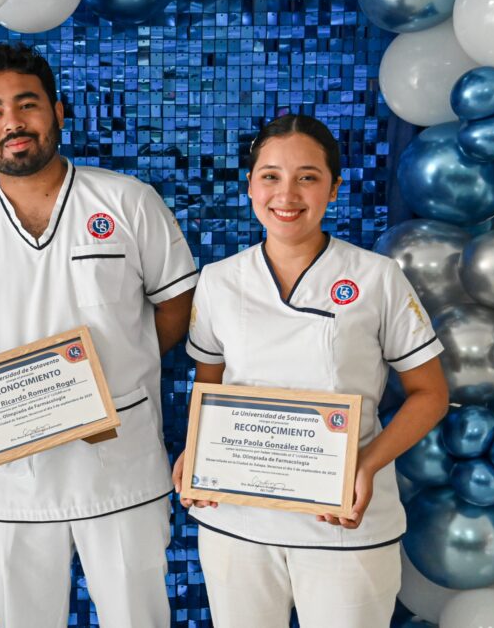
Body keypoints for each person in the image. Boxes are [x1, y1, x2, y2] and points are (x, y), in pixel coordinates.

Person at [0, 43, 197, 628]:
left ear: (58, 111)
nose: (13, 122)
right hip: (13, 480)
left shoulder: (126, 201)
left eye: (27, 104)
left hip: (121, 467)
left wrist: (113, 371)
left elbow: (179, 303)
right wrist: (5, 410)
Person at [172, 114, 449, 628]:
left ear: (334, 188)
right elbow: (209, 384)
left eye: (307, 177)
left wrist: (366, 466)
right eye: (271, 176)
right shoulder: (218, 281)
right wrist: (197, 449)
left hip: (341, 520)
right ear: (250, 185)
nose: (287, 194)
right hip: (237, 519)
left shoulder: (377, 277)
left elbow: (430, 393)